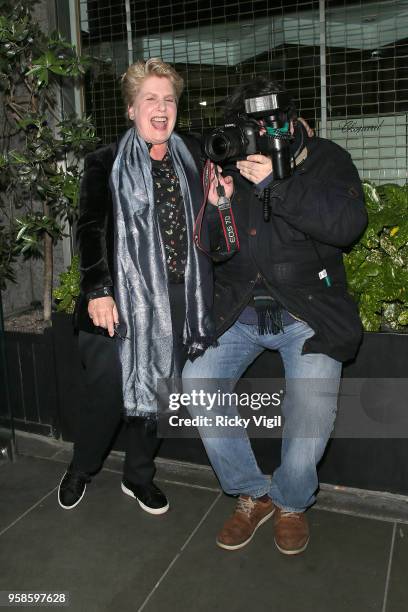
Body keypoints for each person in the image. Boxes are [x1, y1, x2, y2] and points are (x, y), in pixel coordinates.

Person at [183, 76, 367, 554]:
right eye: (248, 125)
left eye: (264, 124)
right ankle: (252, 493)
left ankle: (290, 501)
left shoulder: (326, 159)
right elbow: (216, 254)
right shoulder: (230, 160)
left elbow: (347, 227)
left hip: (307, 313)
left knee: (311, 407)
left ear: (287, 120)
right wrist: (218, 206)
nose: (254, 136)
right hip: (239, 312)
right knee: (197, 382)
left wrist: (276, 184)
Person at [58, 58, 215, 513]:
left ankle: (138, 476)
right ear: (131, 109)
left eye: (169, 99)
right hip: (117, 300)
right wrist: (98, 290)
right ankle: (81, 467)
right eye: (151, 98)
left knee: (160, 393)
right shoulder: (104, 162)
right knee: (107, 395)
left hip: (178, 297)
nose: (161, 108)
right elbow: (89, 228)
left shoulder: (194, 159)